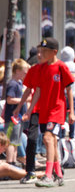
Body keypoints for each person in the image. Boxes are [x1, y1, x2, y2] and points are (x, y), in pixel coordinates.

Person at [22, 37, 75, 187]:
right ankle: (58, 173)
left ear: (54, 52)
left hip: (57, 109)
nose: (42, 53)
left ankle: (48, 175)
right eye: (41, 50)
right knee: (51, 142)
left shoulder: (61, 66)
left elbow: (69, 89)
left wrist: (71, 112)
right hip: (44, 111)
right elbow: (37, 91)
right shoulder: (42, 68)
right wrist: (30, 110)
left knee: (47, 138)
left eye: (45, 51)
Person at [13, 47, 45, 184]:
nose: (39, 55)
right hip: (36, 109)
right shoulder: (34, 70)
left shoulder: (56, 68)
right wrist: (20, 107)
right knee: (31, 139)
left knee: (50, 140)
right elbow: (29, 90)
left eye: (42, 53)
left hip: (51, 109)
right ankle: (30, 171)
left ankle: (55, 169)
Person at [4, 58, 30, 166]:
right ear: (17, 71)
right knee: (11, 141)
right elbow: (9, 100)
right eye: (24, 72)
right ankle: (10, 163)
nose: (25, 74)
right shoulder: (13, 84)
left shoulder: (19, 83)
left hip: (17, 118)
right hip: (12, 118)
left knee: (15, 141)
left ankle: (13, 162)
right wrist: (23, 100)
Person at [60, 46, 75, 139]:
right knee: (74, 115)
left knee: (62, 116)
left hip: (62, 93)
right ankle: (73, 135)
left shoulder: (60, 66)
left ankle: (62, 134)